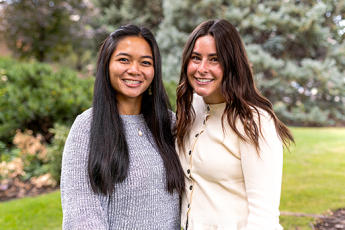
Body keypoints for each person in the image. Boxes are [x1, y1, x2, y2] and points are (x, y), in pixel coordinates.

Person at [60, 24, 184, 229]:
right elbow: (82, 216)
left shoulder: (169, 124)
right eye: (124, 60)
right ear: (107, 64)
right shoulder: (87, 127)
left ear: (154, 70)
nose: (135, 70)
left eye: (145, 62)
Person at [175, 19, 295, 230]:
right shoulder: (191, 107)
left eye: (214, 59)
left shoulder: (255, 122)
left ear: (231, 63)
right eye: (196, 58)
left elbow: (263, 219)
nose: (202, 68)